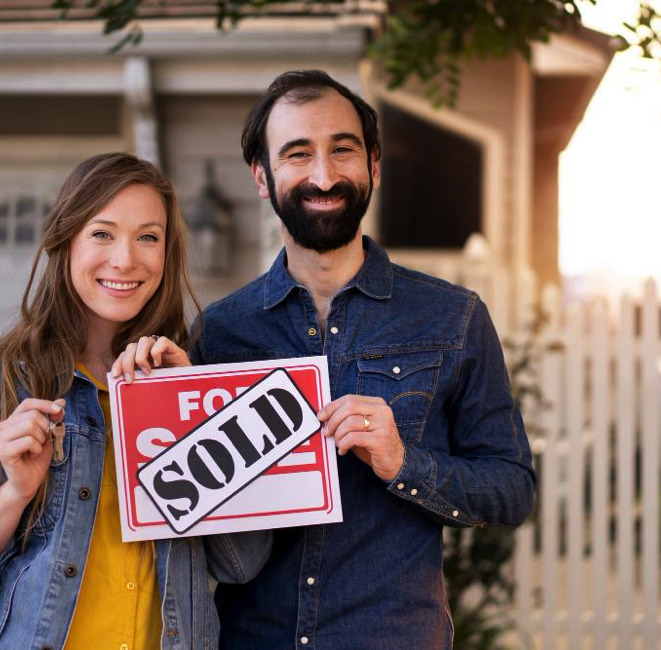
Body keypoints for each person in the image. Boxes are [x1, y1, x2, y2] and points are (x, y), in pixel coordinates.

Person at [116, 70, 536, 648]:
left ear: (374, 167)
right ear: (262, 177)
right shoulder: (219, 332)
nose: (324, 174)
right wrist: (156, 406)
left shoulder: (452, 317)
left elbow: (511, 490)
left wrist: (401, 462)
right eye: (297, 154)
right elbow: (194, 525)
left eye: (343, 150)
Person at [0, 152, 266, 650]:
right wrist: (14, 496)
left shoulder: (189, 381)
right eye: (102, 233)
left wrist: (195, 416)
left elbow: (240, 563)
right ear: (64, 240)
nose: (125, 259)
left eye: (148, 237)